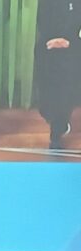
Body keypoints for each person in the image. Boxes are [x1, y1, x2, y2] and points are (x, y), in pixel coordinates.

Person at [35, 0, 81, 149]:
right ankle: (53, 118)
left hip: (72, 49)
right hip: (47, 46)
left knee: (65, 93)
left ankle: (58, 130)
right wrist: (53, 40)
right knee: (46, 98)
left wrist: (69, 42)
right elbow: (42, 20)